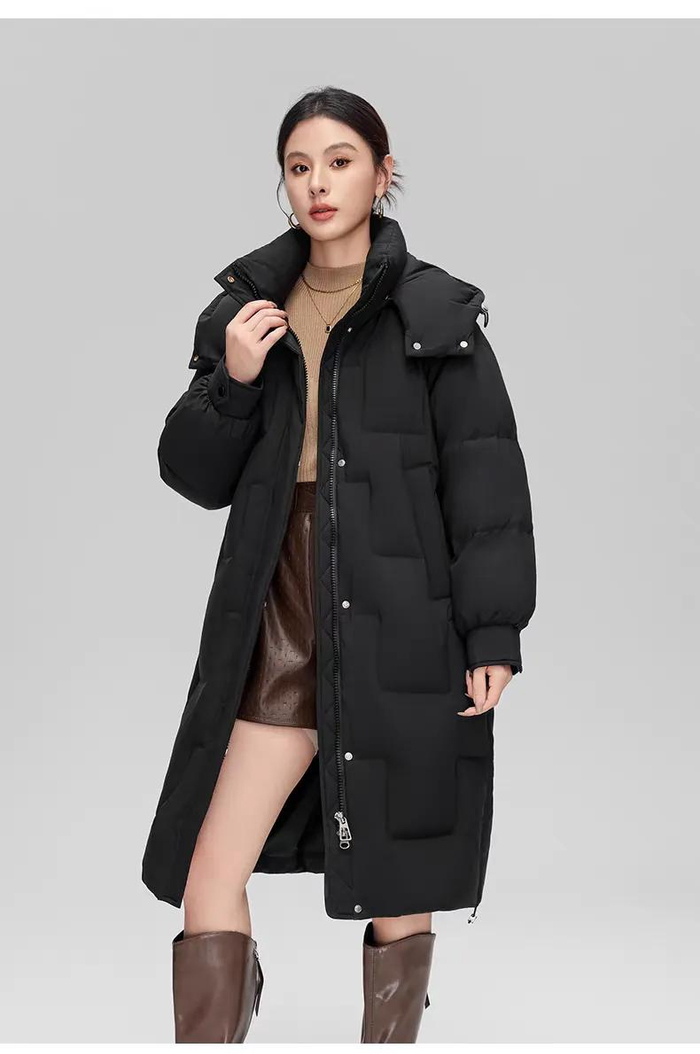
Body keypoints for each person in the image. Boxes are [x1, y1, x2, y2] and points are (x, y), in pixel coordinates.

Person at [142, 85, 537, 1044]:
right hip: (281, 612)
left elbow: (486, 487)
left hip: (402, 618)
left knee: (400, 879)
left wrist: (492, 632)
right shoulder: (247, 316)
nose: (318, 183)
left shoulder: (434, 315)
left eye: (340, 161)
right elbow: (191, 475)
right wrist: (234, 382)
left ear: (382, 173)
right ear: (284, 184)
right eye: (299, 166)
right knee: (210, 866)